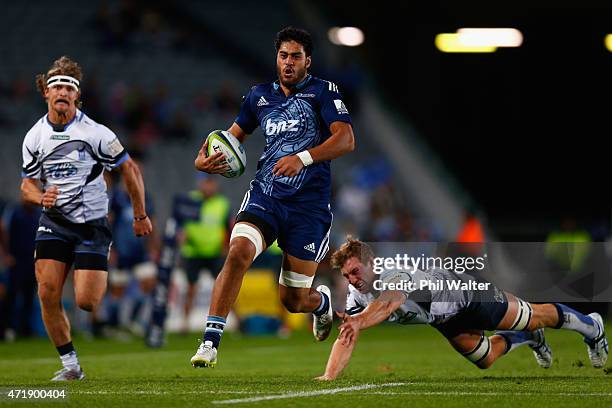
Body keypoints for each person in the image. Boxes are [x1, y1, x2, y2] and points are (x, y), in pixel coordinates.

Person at [190, 27, 355, 367]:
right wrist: (202, 160)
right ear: (276, 59)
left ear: (308, 60)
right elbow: (229, 139)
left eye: (296, 56)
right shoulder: (258, 97)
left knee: (294, 300)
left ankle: (321, 304)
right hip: (266, 196)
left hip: (308, 208)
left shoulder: (324, 92)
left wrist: (303, 157)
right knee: (237, 252)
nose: (289, 63)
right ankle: (210, 341)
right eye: (283, 56)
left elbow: (346, 140)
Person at [20, 56, 152, 381]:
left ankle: (95, 267)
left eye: (68, 87)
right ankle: (70, 366)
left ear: (77, 96)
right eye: (56, 87)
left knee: (87, 302)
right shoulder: (34, 137)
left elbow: (129, 169)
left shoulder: (96, 133)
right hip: (53, 222)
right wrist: (40, 197)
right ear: (46, 94)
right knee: (47, 291)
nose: (62, 91)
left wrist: (140, 214)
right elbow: (26, 184)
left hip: (91, 225)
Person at [315, 237, 608, 380]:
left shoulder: (392, 272)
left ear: (371, 262)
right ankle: (529, 338)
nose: (353, 280)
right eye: (347, 277)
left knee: (534, 316)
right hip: (444, 318)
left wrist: (359, 321)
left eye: (355, 271)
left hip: (468, 296)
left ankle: (591, 328)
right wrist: (329, 377)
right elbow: (347, 335)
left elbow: (388, 303)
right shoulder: (357, 293)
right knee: (485, 358)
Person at [107, 152, 158, 336]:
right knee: (117, 291)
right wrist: (110, 248)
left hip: (140, 250)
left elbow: (154, 224)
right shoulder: (116, 197)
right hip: (121, 251)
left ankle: (135, 321)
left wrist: (153, 247)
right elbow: (109, 223)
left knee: (150, 283)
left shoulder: (147, 198)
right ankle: (112, 326)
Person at [178, 174, 231, 333]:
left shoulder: (222, 203)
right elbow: (181, 224)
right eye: (205, 183)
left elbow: (227, 227)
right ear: (199, 184)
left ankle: (237, 321)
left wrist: (226, 248)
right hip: (193, 251)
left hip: (215, 252)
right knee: (191, 288)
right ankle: (185, 323)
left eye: (211, 183)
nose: (208, 187)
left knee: (226, 287)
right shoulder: (191, 200)